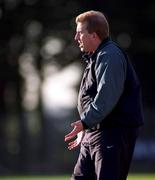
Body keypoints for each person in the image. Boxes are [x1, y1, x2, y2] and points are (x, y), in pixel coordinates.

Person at [64, 10, 144, 180]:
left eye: (80, 32)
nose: (76, 37)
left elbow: (107, 96)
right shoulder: (97, 56)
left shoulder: (110, 55)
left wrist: (86, 121)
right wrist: (86, 127)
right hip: (95, 132)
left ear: (93, 35)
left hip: (112, 133)